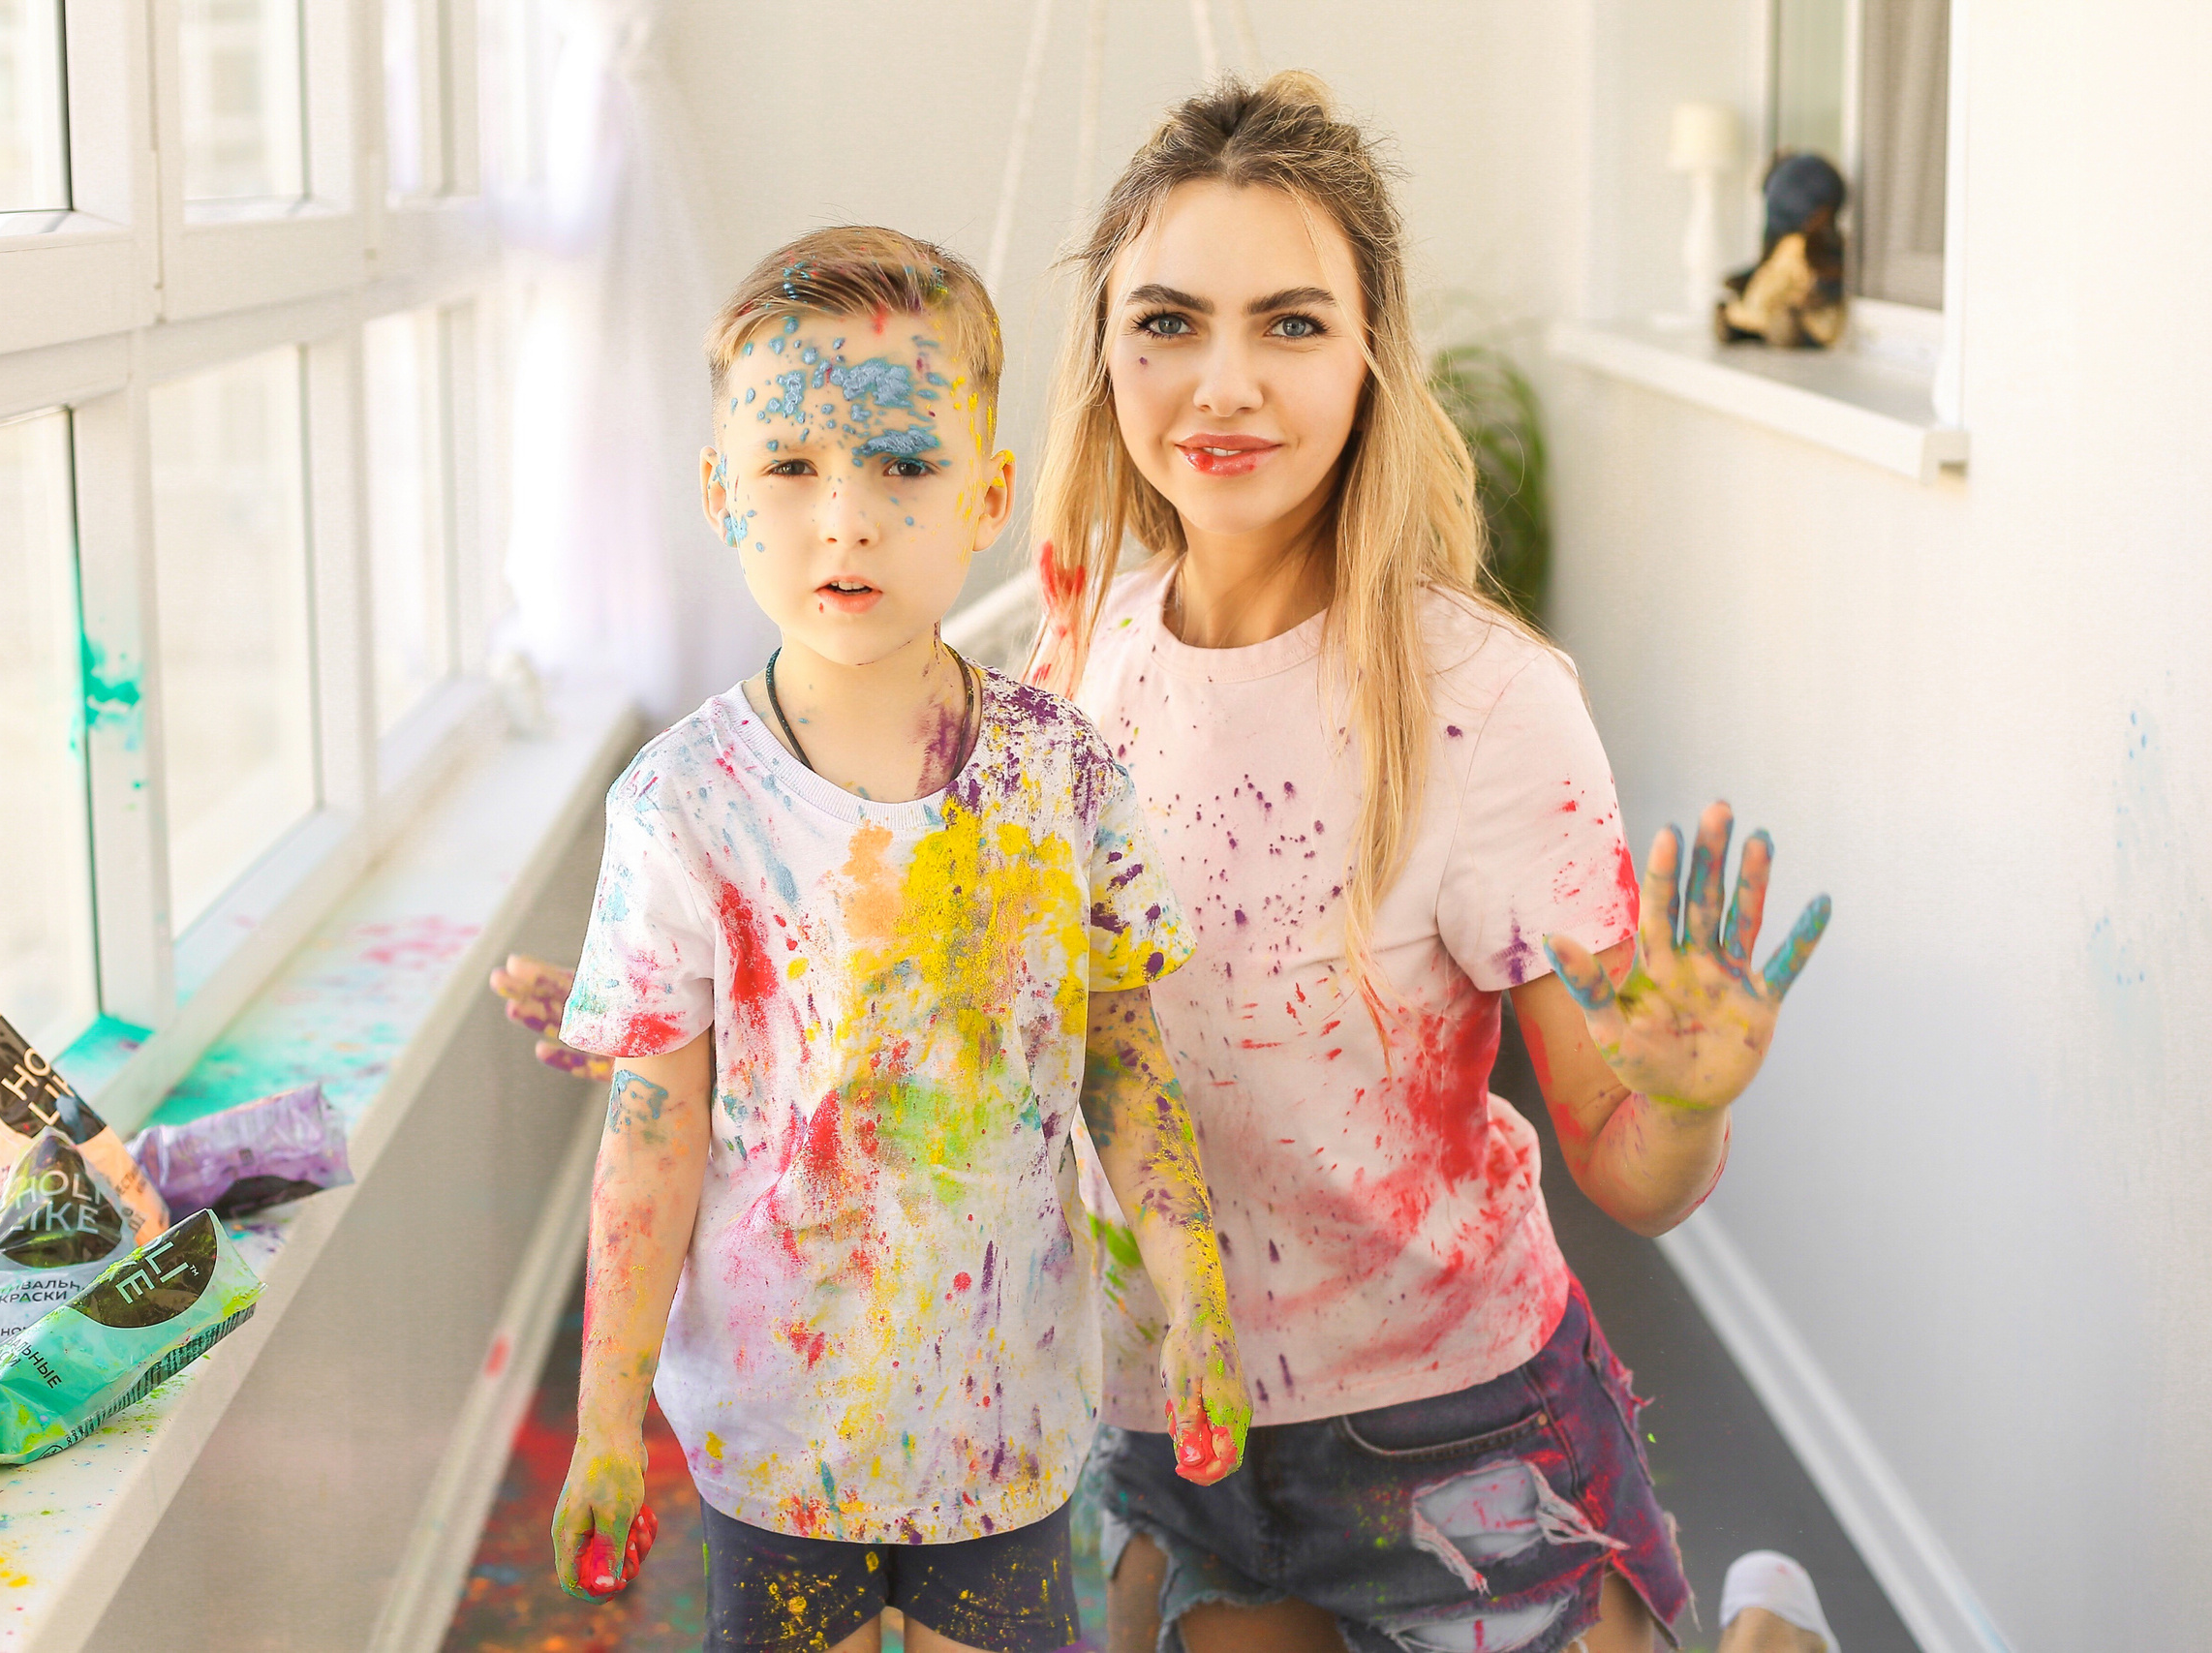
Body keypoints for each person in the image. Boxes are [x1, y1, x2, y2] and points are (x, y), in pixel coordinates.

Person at [1026, 76, 1832, 1653]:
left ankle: (1769, 1630)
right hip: (1171, 1418)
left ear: (1373, 353)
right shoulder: (1072, 673)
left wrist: (1682, 1105)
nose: (1225, 384)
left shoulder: (1484, 699)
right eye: (1170, 322)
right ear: (1108, 351)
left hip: (1451, 1423)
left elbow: (1622, 1167)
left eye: (1294, 324)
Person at [491, 226, 1252, 1653]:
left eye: (903, 465)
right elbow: (651, 1132)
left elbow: (1125, 1065)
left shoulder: (1066, 777)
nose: (845, 518)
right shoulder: (680, 806)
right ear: (722, 496)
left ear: (987, 494)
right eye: (792, 470)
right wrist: (606, 1419)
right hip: (774, 1433)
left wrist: (1195, 1291)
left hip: (1007, 1419)